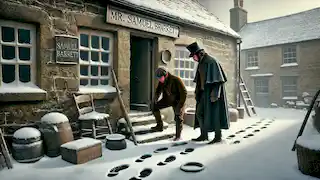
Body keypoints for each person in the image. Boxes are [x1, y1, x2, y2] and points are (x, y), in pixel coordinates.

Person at [186, 42, 230, 144]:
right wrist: (197, 92)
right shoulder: (201, 63)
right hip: (203, 93)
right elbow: (199, 80)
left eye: (194, 56)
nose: (193, 59)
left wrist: (215, 94)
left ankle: (218, 136)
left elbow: (219, 80)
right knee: (199, 113)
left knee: (215, 115)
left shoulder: (211, 61)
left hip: (213, 94)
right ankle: (204, 134)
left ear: (199, 54)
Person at [150, 67, 187, 141]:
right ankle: (159, 126)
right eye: (158, 78)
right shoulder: (162, 81)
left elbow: (184, 93)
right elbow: (158, 91)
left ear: (166, 75)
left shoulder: (176, 80)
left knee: (178, 116)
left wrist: (180, 106)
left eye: (160, 78)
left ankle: (178, 136)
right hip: (167, 100)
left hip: (178, 101)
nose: (159, 80)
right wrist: (155, 99)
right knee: (154, 106)